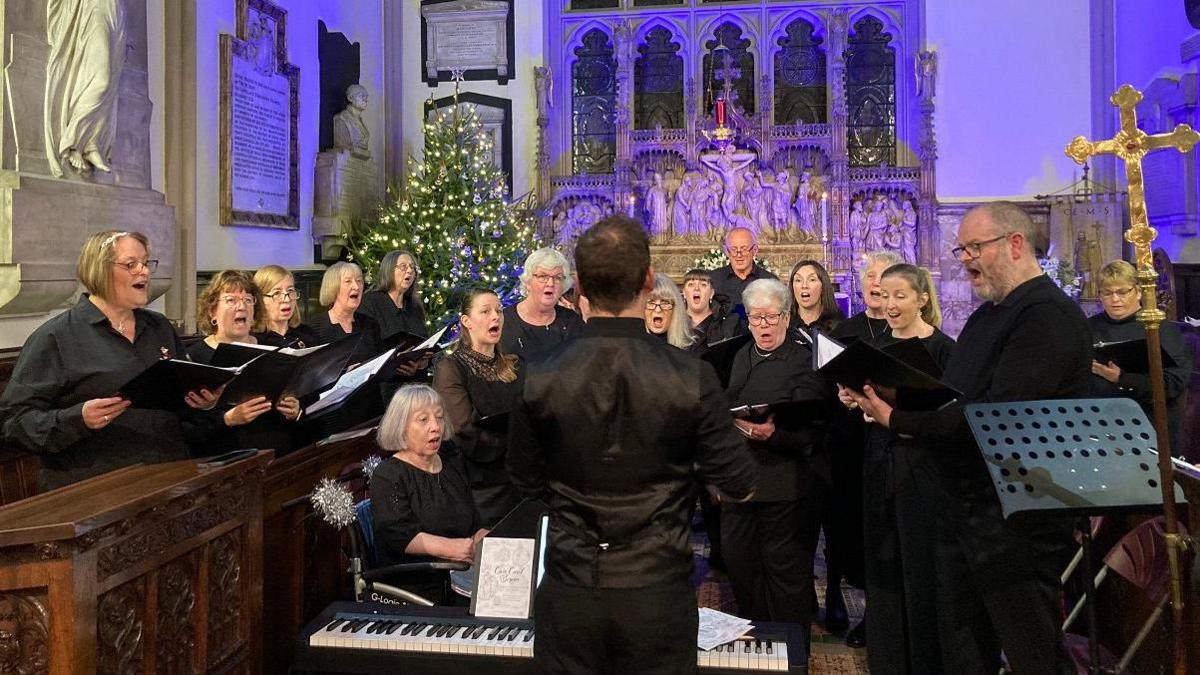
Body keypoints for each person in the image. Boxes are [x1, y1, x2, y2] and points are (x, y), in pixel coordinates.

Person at [507, 215, 756, 675]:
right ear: (647, 280)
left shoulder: (540, 374)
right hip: (656, 590)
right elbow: (740, 481)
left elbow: (524, 480)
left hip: (571, 588)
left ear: (577, 285)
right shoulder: (690, 375)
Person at [849, 201, 1091, 674]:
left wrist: (895, 419)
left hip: (1018, 522)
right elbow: (953, 397)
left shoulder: (1047, 317)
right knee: (960, 643)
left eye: (974, 247)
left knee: (1030, 649)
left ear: (1015, 244)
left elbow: (993, 417)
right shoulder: (988, 316)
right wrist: (888, 391)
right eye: (961, 248)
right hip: (967, 509)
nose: (963, 258)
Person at [0, 231, 218, 489]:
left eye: (146, 263)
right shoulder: (56, 337)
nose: (145, 272)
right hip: (95, 491)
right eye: (131, 264)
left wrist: (203, 402)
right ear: (100, 271)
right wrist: (78, 419)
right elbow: (12, 423)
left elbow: (180, 401)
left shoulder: (159, 327)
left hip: (166, 480)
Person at [842, 264, 954, 674]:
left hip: (924, 468)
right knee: (883, 560)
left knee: (921, 565)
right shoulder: (877, 349)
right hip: (879, 460)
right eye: (884, 295)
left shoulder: (944, 350)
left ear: (922, 298)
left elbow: (951, 417)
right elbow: (868, 400)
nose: (889, 304)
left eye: (899, 296)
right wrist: (855, 399)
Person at [722, 278, 830, 641]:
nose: (763, 326)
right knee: (740, 564)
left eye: (770, 317)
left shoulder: (804, 360)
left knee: (785, 571)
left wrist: (772, 434)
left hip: (785, 482)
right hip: (740, 483)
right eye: (756, 318)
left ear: (786, 317)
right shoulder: (741, 355)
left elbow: (815, 425)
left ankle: (790, 646)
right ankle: (756, 638)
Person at [826, 249, 904, 643]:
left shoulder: (903, 332)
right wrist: (841, 395)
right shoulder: (845, 330)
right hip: (849, 441)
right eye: (870, 276)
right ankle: (837, 591)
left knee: (884, 530)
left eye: (884, 276)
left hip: (891, 441)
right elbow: (830, 382)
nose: (876, 283)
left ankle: (879, 614)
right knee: (845, 522)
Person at [371, 384, 487, 605]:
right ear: (401, 426)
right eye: (423, 420)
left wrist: (486, 539)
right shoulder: (388, 475)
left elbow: (472, 523)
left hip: (461, 575)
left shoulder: (451, 460)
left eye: (440, 418)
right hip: (418, 586)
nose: (435, 427)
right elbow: (400, 536)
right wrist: (453, 549)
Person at [432, 288, 523, 527]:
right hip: (481, 487)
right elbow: (463, 430)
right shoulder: (451, 369)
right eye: (485, 311)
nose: (496, 317)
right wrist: (518, 448)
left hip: (521, 478)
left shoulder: (515, 365)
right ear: (466, 321)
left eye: (499, 311)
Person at [187, 270, 302, 455]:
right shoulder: (195, 357)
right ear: (212, 311)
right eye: (231, 300)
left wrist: (294, 411)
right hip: (226, 462)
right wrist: (228, 419)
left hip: (278, 455)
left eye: (248, 300)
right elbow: (188, 430)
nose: (242, 306)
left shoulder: (274, 347)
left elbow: (291, 402)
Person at [1088, 260, 1193, 451]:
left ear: (1137, 291)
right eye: (1107, 292)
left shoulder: (1160, 329)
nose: (1115, 299)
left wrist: (1121, 378)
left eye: (1122, 292)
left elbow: (1174, 382)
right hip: (1098, 426)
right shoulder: (1089, 327)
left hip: (1149, 427)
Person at [500, 248, 584, 360]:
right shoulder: (503, 321)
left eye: (557, 278)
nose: (551, 283)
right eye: (542, 276)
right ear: (528, 282)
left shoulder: (572, 322)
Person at [307, 261, 382, 367]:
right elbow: (311, 374)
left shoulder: (370, 324)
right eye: (348, 281)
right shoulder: (313, 328)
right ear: (333, 288)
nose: (356, 286)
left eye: (359, 281)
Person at [709, 227, 778, 319]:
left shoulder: (770, 281)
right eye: (734, 249)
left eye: (744, 249)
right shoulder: (712, 280)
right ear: (727, 251)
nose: (739, 255)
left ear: (755, 250)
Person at [359, 250, 428, 341]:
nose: (410, 270)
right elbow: (365, 344)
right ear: (389, 270)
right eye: (403, 267)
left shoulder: (415, 307)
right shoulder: (369, 302)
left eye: (412, 267)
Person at [252, 264, 320, 348]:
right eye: (277, 293)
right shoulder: (252, 340)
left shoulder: (308, 334)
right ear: (260, 299)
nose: (287, 299)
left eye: (290, 291)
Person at [682, 268, 744, 354]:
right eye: (691, 284)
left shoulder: (728, 323)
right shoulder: (674, 321)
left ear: (711, 293)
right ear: (684, 293)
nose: (696, 289)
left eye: (703, 285)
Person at [788, 259, 844, 341]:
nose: (804, 285)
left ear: (823, 286)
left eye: (812, 280)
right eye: (798, 280)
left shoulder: (839, 325)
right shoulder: (784, 323)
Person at [643, 273, 694, 350]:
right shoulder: (630, 349)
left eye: (665, 303)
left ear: (676, 309)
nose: (658, 310)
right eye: (651, 302)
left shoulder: (692, 349)